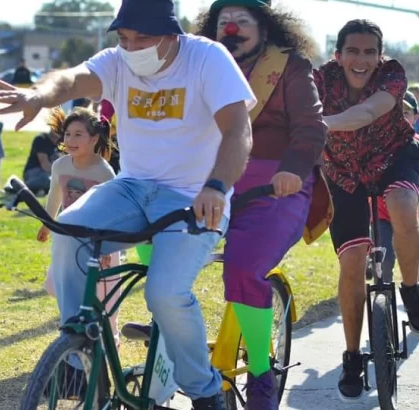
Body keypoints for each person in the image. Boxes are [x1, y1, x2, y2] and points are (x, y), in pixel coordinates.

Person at [0, 0, 256, 407]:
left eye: (143, 38)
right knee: (71, 233)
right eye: (124, 38)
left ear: (172, 35)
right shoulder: (118, 61)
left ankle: (206, 394)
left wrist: (216, 185)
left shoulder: (207, 58)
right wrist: (38, 97)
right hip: (133, 187)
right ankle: (78, 354)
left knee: (165, 294)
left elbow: (239, 129)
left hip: (194, 197)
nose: (132, 48)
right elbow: (71, 79)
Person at [191, 2, 329, 407]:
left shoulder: (290, 66)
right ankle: (174, 336)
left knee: (245, 266)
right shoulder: (202, 64)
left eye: (242, 22)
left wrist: (293, 169)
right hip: (210, 181)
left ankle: (261, 374)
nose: (231, 29)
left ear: (265, 28)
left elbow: (311, 127)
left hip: (276, 186)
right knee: (152, 243)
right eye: (223, 23)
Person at [314, 19, 419, 401]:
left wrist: (319, 124)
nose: (361, 59)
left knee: (403, 204)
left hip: (393, 156)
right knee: (353, 260)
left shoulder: (391, 75)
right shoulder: (319, 81)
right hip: (342, 173)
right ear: (338, 55)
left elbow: (369, 112)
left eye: (369, 52)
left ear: (380, 56)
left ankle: (412, 291)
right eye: (353, 51)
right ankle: (352, 356)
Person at [36, 107, 121, 344]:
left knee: (105, 296)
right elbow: (55, 197)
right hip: (70, 237)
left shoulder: (104, 172)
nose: (70, 140)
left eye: (78, 135)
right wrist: (47, 223)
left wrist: (107, 248)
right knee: (58, 286)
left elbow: (113, 212)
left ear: (94, 139)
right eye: (67, 134)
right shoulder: (61, 166)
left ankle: (110, 338)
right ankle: (71, 337)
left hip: (101, 241)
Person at [373, 91, 419, 281]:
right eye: (394, 112)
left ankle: (412, 292)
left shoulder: (415, 145)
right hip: (381, 217)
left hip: (412, 217)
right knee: (383, 263)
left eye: (405, 113)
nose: (400, 118)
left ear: (415, 117)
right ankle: (382, 296)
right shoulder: (373, 145)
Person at [22, 129, 62, 196]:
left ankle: (39, 190)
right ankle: (19, 188)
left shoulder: (63, 144)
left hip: (51, 174)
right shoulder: (41, 139)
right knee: (49, 180)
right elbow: (45, 165)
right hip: (34, 172)